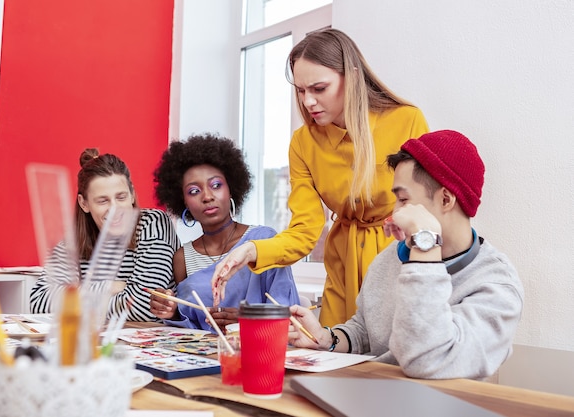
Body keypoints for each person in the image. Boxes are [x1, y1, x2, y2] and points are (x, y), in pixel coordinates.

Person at [212, 28, 429, 326]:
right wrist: (251, 249)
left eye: (318, 88)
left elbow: (427, 207)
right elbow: (305, 229)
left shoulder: (407, 120)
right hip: (341, 268)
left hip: (399, 258)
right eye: (301, 91)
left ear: (351, 77)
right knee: (335, 358)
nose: (308, 101)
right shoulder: (303, 143)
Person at [286, 130, 524, 380]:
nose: (394, 211)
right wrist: (327, 339)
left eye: (403, 199)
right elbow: (366, 330)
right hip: (377, 396)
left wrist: (425, 245)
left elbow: (426, 359)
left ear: (445, 200)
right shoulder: (392, 258)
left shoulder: (496, 284)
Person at [150, 133, 300, 332]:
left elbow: (289, 312)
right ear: (183, 201)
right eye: (194, 191)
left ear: (231, 189)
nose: (207, 196)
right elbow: (190, 325)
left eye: (216, 185)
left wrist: (248, 320)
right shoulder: (182, 258)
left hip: (260, 353)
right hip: (204, 358)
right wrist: (172, 310)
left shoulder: (264, 241)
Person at [30, 148, 180, 321]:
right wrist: (110, 287)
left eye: (121, 197)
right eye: (103, 201)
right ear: (84, 203)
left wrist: (78, 296)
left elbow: (143, 307)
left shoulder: (154, 224)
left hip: (150, 342)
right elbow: (39, 302)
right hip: (99, 341)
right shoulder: (74, 240)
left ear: (132, 194)